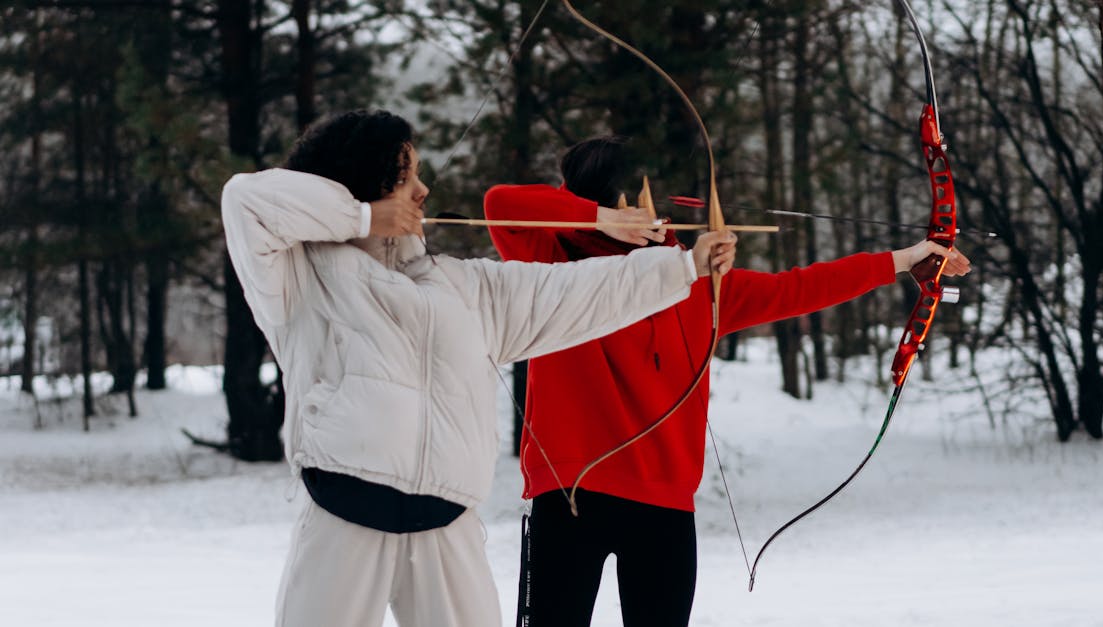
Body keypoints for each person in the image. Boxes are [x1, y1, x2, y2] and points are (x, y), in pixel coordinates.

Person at [220, 112, 737, 627]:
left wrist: (685, 266)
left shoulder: (462, 287)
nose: (423, 191)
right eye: (406, 177)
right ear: (364, 181)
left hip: (447, 530)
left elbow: (577, 292)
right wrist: (362, 219)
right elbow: (246, 200)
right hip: (343, 521)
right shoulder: (297, 278)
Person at [483, 135, 972, 627]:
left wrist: (903, 259)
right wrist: (597, 218)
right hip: (569, 492)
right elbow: (499, 202)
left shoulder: (695, 280)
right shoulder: (548, 261)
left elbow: (798, 288)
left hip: (664, 503)